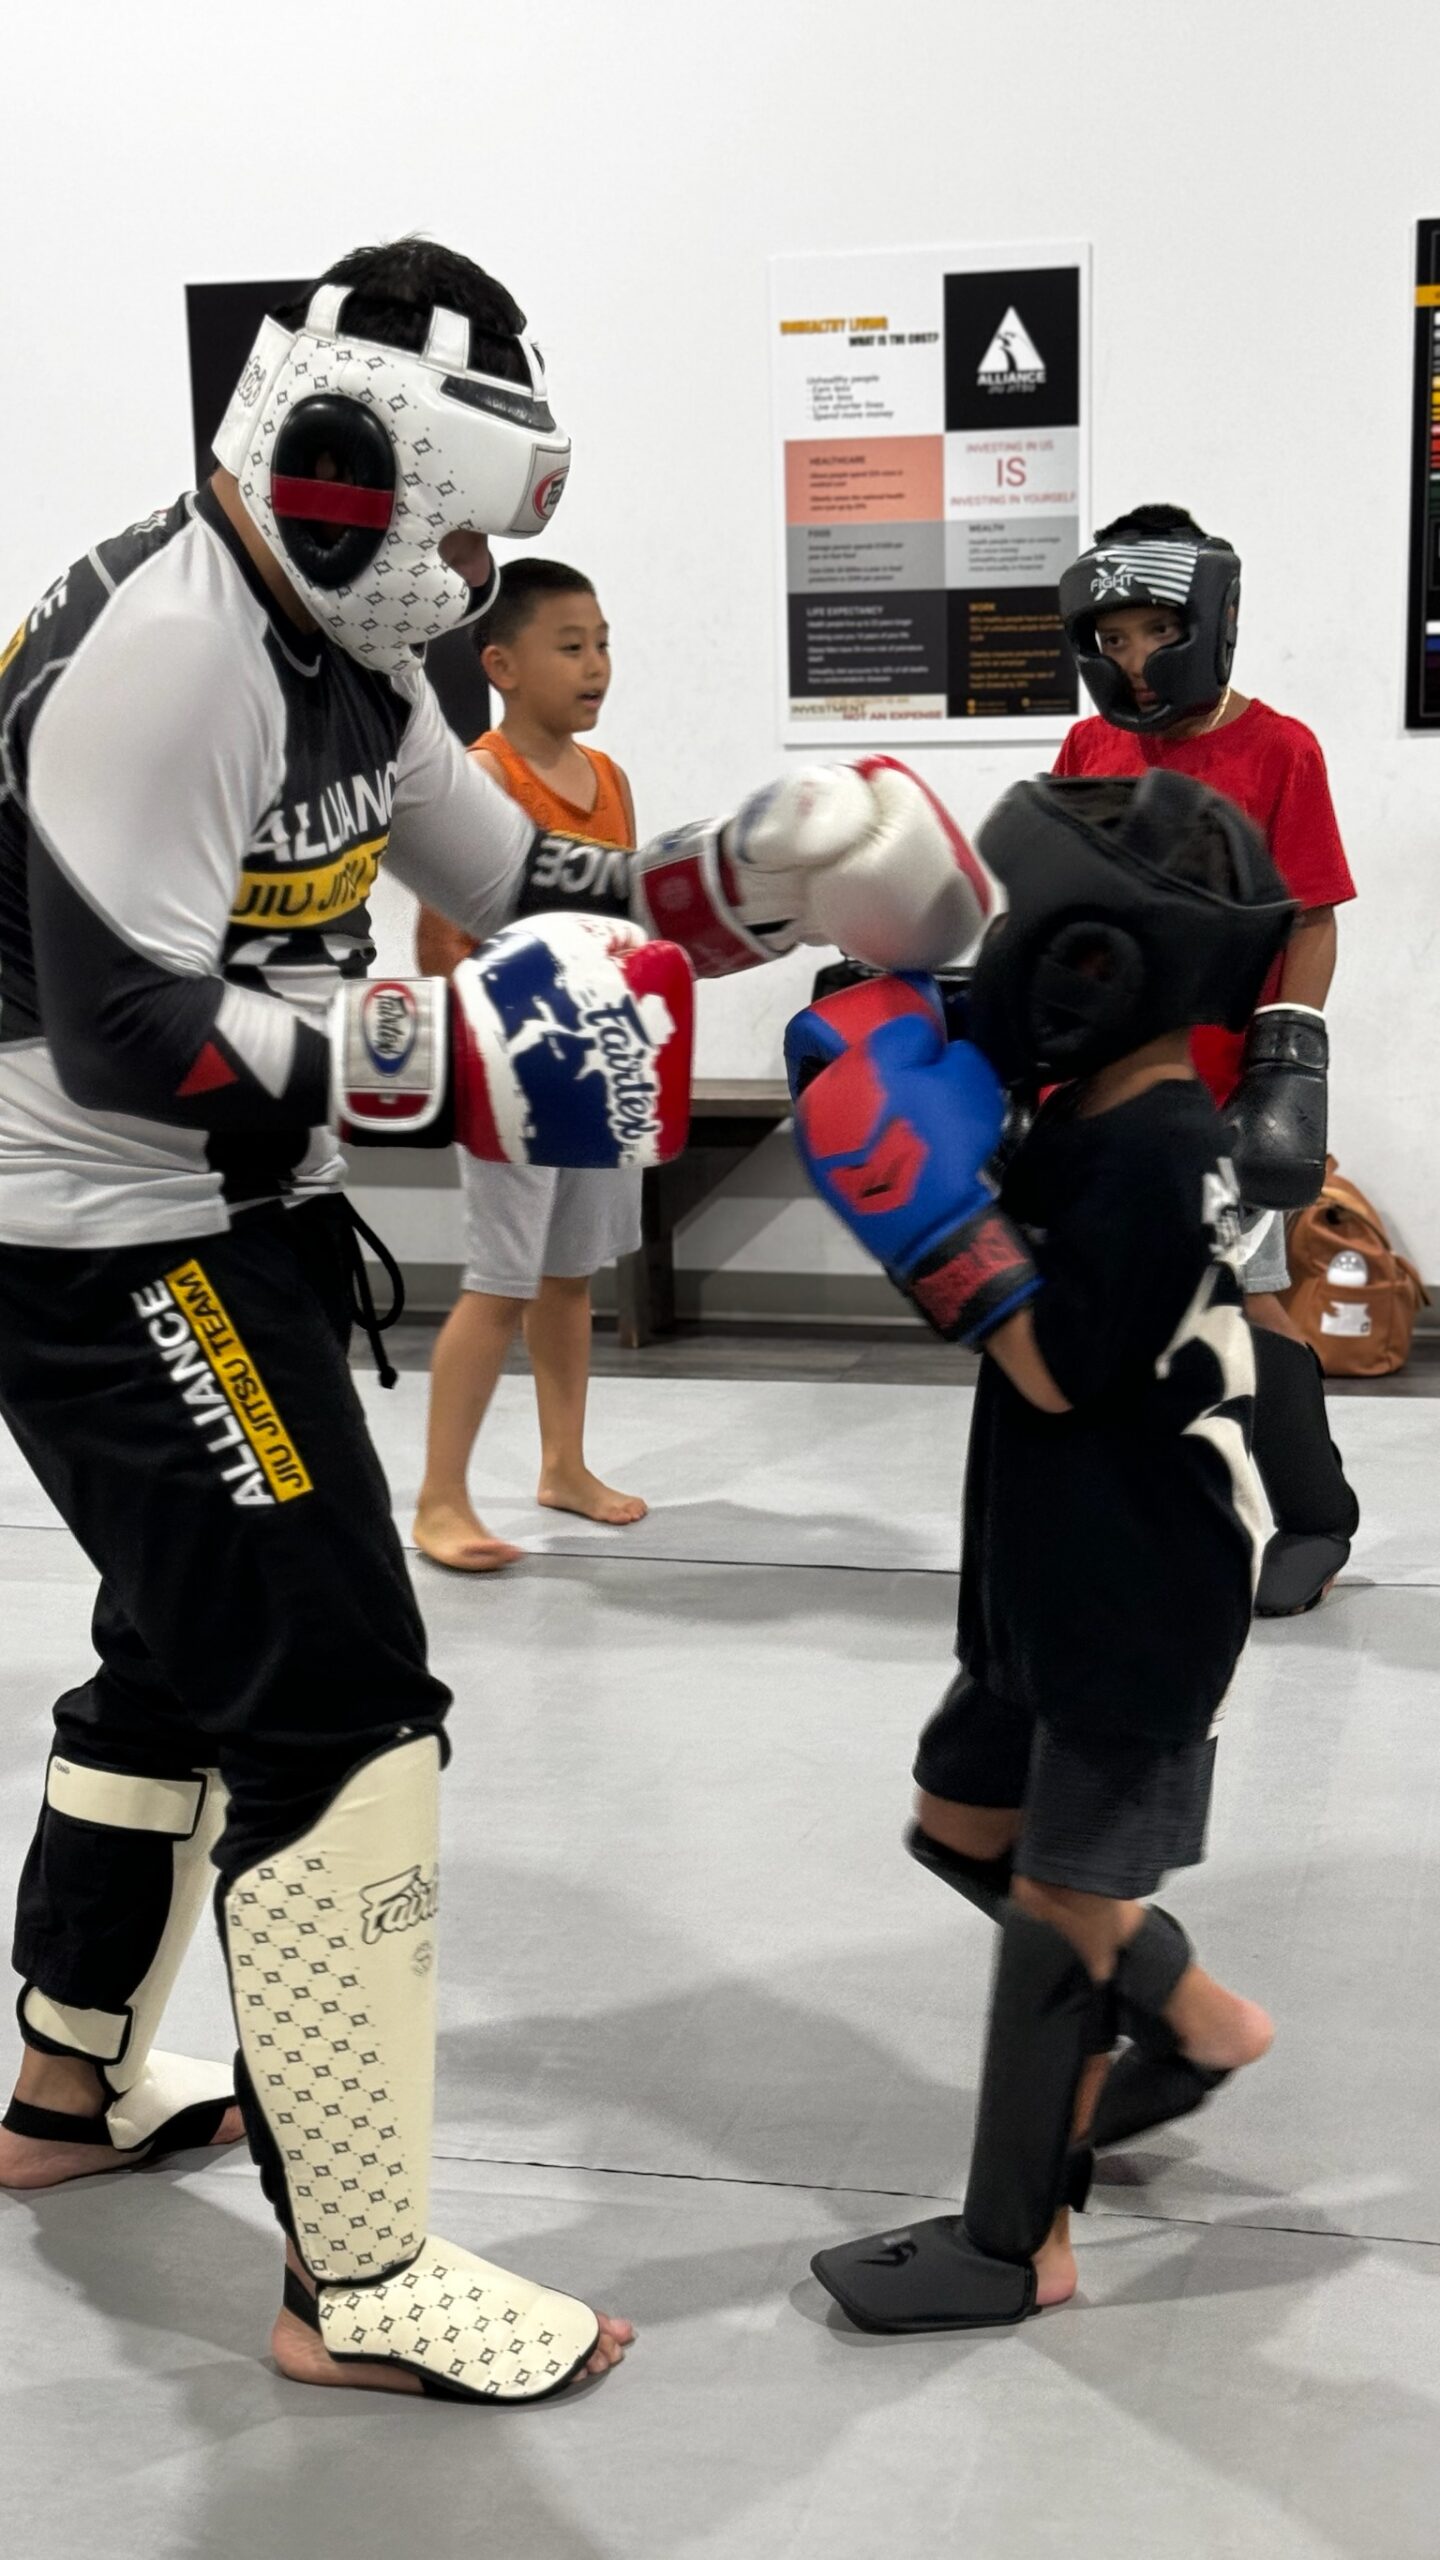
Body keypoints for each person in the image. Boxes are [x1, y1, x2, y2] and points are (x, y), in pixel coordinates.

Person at [0, 234, 991, 2400]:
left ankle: (62, 2093)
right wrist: (434, 1064)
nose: (470, 567)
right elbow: (118, 1030)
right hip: (98, 1235)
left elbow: (519, 885)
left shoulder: (348, 655)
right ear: (348, 463)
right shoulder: (176, 653)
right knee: (342, 1702)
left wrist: (765, 870)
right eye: (452, 518)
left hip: (216, 1217)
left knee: (174, 1656)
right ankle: (354, 2278)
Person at [787, 771, 1287, 2332]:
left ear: (1098, 960)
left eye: (1018, 925)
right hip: (1042, 1563)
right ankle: (1201, 2021)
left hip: (1135, 1598)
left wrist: (928, 1219)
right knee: (961, 1827)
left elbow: (1060, 1362)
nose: (991, 949)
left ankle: (1019, 2245)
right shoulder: (1099, 1116)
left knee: (1064, 1914)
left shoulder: (1157, 1151)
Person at [1054, 504, 1359, 1616]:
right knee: (1124, 1305)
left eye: (1154, 632)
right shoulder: (1092, 746)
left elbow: (1313, 917)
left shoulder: (1279, 748)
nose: (1134, 661)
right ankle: (1152, 1514)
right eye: (1114, 638)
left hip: (1221, 1090)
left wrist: (1288, 1066)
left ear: (1209, 619)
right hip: (1111, 1081)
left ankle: (1316, 1515)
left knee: (1250, 1301)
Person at [413, 559, 646, 1572]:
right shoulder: (480, 776)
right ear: (500, 664)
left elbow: (622, 920)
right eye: (570, 646)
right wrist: (488, 1053)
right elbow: (438, 942)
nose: (595, 665)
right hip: (509, 1070)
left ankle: (564, 1465)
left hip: (598, 1061)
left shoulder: (612, 781)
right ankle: (439, 1498)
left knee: (567, 1279)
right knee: (499, 1284)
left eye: (601, 643)